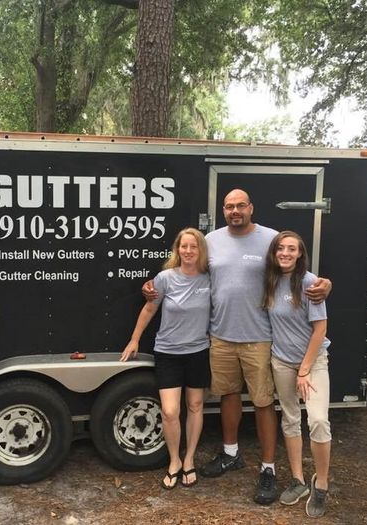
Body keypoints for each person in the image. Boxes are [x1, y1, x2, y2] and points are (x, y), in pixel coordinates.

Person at [144, 189, 331, 504]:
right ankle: (231, 453)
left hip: (259, 338)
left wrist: (325, 284)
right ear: (223, 210)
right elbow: (187, 270)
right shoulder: (211, 241)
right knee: (228, 394)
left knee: (261, 403)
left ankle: (268, 468)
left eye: (240, 205)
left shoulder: (271, 239)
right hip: (220, 337)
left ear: (250, 208)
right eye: (229, 206)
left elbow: (293, 268)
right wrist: (154, 289)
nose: (234, 211)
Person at [122, 228, 211, 489]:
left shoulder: (209, 279)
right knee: (171, 411)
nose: (188, 251)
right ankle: (174, 460)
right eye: (184, 246)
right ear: (177, 249)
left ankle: (189, 459)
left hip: (198, 352)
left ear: (200, 250)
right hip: (168, 352)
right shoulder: (164, 278)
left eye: (193, 247)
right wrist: (135, 338)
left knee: (195, 406)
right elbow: (150, 307)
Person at [262, 231, 331, 518]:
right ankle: (298, 480)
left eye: (292, 249)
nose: (285, 253)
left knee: (318, 421)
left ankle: (322, 484)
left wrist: (304, 369)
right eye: (281, 248)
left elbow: (320, 329)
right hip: (281, 361)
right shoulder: (270, 281)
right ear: (274, 252)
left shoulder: (310, 284)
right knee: (290, 419)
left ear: (300, 253)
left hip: (312, 363)